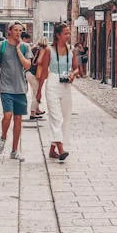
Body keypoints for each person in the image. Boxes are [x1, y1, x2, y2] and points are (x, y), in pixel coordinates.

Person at [37, 22, 79, 161]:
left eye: (69, 33)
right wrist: (38, 90)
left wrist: (73, 74)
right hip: (53, 82)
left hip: (66, 85)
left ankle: (52, 150)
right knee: (56, 117)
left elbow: (76, 68)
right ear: (58, 35)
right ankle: (61, 150)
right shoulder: (49, 50)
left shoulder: (71, 50)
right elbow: (43, 71)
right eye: (66, 33)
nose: (68, 35)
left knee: (65, 119)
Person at [0, 21, 33, 161]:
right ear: (9, 31)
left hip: (21, 88)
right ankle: (3, 137)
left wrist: (18, 50)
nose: (18, 33)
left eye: (20, 30)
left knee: (18, 120)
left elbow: (27, 65)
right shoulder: (0, 46)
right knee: (8, 115)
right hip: (6, 87)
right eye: (15, 30)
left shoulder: (25, 47)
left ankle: (15, 150)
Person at [25, 36, 48, 119]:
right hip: (34, 74)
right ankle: (32, 112)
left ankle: (37, 109)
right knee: (36, 93)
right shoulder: (43, 51)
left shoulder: (34, 49)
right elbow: (40, 62)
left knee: (35, 91)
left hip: (28, 72)